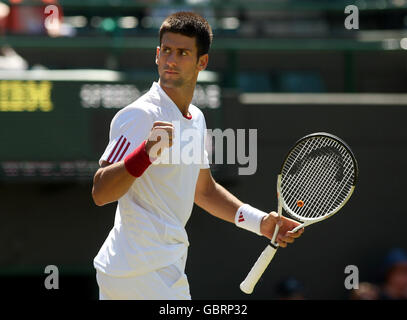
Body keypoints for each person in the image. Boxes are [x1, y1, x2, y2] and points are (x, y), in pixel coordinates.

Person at [91, 11, 304, 300]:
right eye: (166, 50)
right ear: (157, 55)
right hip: (139, 271)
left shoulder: (196, 119)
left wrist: (260, 223)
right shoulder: (140, 114)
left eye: (182, 53)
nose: (171, 60)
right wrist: (145, 153)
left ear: (202, 62)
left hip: (156, 268)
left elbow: (204, 190)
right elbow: (101, 191)